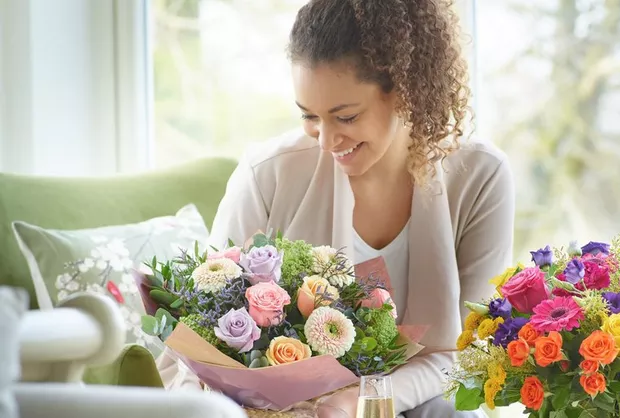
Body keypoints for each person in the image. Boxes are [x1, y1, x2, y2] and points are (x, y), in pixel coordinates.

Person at [161, 0, 515, 416]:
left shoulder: (480, 176)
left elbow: (470, 350)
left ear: (406, 91)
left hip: (418, 397)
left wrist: (358, 403)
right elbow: (201, 328)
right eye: (309, 116)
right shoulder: (267, 173)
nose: (326, 141)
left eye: (345, 117)